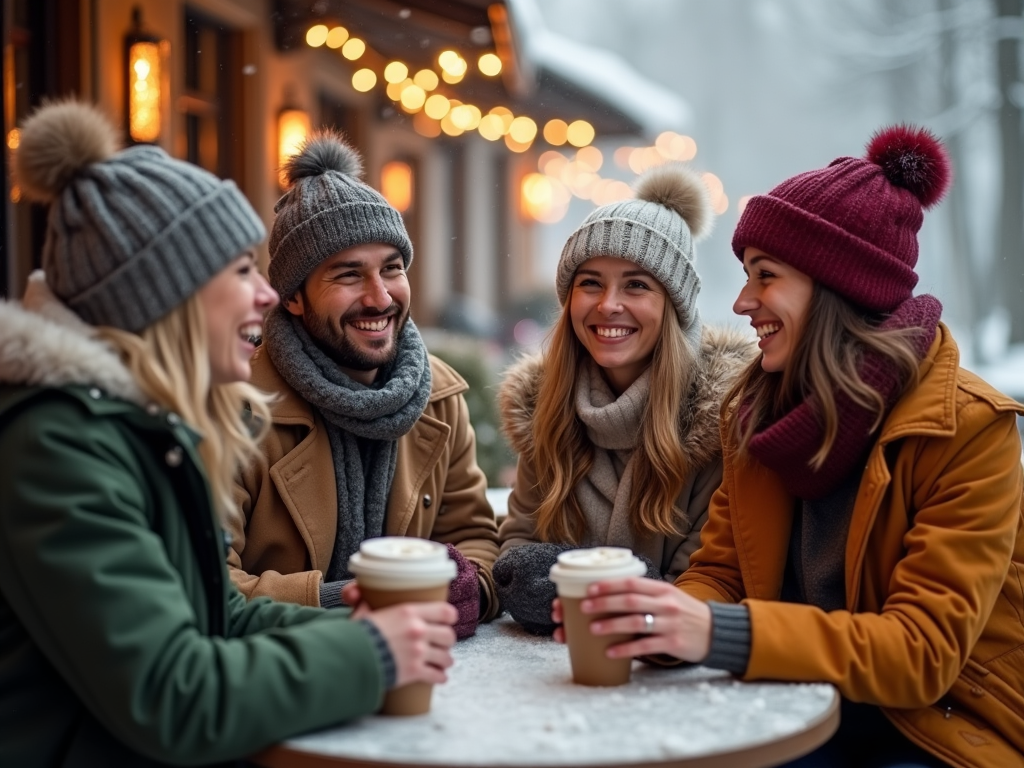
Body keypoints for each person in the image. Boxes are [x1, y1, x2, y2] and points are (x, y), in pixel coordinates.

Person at [0, 100, 457, 767]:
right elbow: (175, 695)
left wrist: (348, 617)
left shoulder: (139, 428)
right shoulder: (58, 449)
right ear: (170, 296)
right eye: (243, 271)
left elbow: (215, 613)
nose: (269, 296)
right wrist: (371, 651)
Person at [553, 126, 1024, 768]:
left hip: (935, 730)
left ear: (836, 288)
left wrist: (716, 632)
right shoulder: (757, 411)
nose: (743, 301)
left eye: (765, 277)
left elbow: (921, 655)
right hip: (791, 704)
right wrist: (656, 622)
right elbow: (721, 572)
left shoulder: (969, 429)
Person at [228, 129, 499, 638]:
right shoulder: (235, 410)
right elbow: (209, 584)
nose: (380, 298)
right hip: (288, 676)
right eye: (348, 275)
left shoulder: (438, 398)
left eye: (391, 269)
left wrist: (471, 588)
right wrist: (346, 603)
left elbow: (475, 536)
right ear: (293, 298)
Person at [493, 164, 754, 635]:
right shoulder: (544, 408)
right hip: (551, 664)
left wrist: (569, 583)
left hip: (672, 669)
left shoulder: (722, 419)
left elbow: (705, 579)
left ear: (674, 307)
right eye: (590, 282)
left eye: (636, 285)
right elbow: (518, 546)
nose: (608, 304)